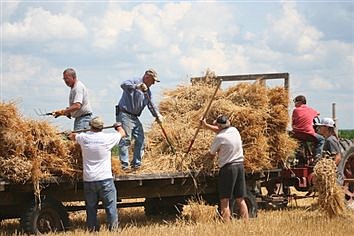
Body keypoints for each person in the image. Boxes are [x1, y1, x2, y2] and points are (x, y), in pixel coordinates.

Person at [68, 117, 126, 231]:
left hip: (89, 179)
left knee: (91, 208)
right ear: (102, 127)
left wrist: (69, 134)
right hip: (105, 179)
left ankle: (93, 230)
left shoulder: (84, 137)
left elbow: (72, 136)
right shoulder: (107, 138)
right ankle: (113, 230)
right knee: (110, 207)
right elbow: (122, 133)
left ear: (91, 126)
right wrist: (118, 126)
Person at [201, 115, 249, 222]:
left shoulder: (219, 138)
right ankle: (247, 223)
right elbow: (219, 130)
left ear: (219, 126)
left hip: (228, 169)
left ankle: (226, 225)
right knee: (240, 199)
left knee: (224, 200)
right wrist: (206, 126)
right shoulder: (234, 130)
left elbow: (211, 154)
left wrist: (207, 157)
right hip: (240, 166)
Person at [115, 69, 163, 170]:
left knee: (140, 138)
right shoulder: (135, 80)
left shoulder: (147, 92)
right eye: (153, 80)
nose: (153, 83)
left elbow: (151, 105)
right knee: (125, 139)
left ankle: (136, 164)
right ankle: (124, 165)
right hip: (125, 114)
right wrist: (137, 87)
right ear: (147, 77)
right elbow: (123, 85)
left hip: (134, 117)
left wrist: (157, 115)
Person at [316, 117, 344, 185]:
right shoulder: (328, 139)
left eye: (321, 126)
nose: (318, 128)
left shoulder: (330, 140)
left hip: (334, 178)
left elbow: (338, 157)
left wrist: (327, 171)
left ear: (326, 128)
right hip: (332, 178)